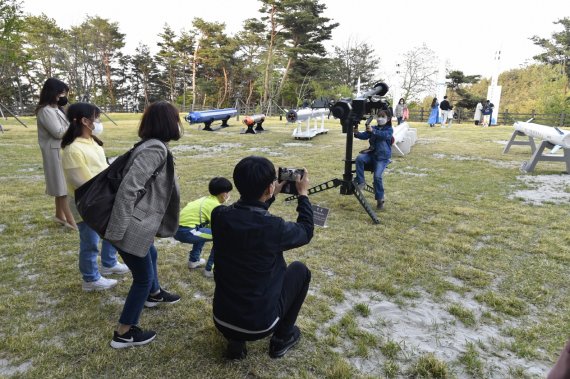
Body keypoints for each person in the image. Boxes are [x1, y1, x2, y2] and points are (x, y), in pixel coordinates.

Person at [211, 156, 314, 360]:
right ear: (269, 187)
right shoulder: (274, 227)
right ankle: (282, 338)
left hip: (222, 318)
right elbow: (306, 231)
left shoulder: (219, 215)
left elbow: (248, 219)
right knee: (300, 271)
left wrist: (269, 196)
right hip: (260, 325)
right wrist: (303, 195)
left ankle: (236, 341)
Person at [105, 101, 182, 349]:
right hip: (132, 225)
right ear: (170, 123)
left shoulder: (150, 145)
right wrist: (118, 230)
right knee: (141, 277)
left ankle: (154, 294)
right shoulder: (155, 150)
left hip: (138, 224)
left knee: (152, 253)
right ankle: (124, 333)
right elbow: (129, 188)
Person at [61, 103, 130, 291]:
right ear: (85, 121)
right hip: (87, 203)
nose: (99, 122)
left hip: (103, 198)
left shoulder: (93, 142)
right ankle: (90, 279)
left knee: (110, 233)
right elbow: (82, 182)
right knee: (90, 242)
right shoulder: (73, 149)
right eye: (96, 118)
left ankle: (108, 263)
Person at [35, 78, 77, 230]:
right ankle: (71, 222)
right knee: (62, 189)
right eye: (61, 94)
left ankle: (60, 215)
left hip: (61, 151)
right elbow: (59, 132)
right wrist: (75, 124)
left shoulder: (56, 109)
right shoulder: (45, 111)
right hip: (54, 153)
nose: (63, 97)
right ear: (53, 93)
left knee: (62, 186)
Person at [174, 177, 233, 278]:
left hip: (178, 229)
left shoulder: (205, 200)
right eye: (228, 192)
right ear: (224, 194)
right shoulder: (215, 206)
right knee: (222, 236)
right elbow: (220, 227)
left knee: (204, 231)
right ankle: (210, 269)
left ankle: (194, 261)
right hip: (186, 231)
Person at [354, 109, 394, 210]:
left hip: (382, 158)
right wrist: (357, 133)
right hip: (372, 154)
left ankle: (380, 199)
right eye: (378, 116)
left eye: (383, 116)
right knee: (359, 159)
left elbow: (384, 136)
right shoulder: (374, 128)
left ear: (388, 118)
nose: (380, 118)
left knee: (377, 177)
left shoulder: (389, 129)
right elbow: (365, 136)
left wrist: (373, 131)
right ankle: (361, 182)